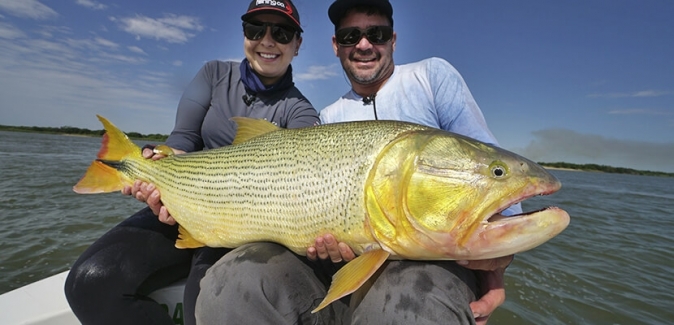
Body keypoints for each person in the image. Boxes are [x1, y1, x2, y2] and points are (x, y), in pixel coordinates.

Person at [196, 1, 521, 325]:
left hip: (424, 266)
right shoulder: (328, 117)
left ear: (393, 40)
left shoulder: (432, 77)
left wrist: (494, 271)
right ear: (336, 46)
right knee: (231, 281)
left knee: (410, 304)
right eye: (351, 36)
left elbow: (489, 171)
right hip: (351, 264)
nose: (364, 45)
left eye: (375, 34)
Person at [63, 1, 318, 324]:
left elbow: (305, 182)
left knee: (203, 305)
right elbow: (182, 138)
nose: (267, 40)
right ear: (244, 34)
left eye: (282, 33)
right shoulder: (212, 74)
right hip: (183, 201)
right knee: (88, 283)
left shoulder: (302, 112)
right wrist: (157, 163)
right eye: (256, 29)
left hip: (245, 228)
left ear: (297, 44)